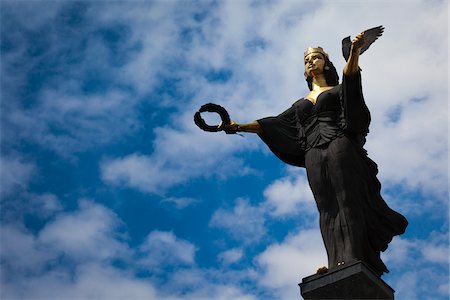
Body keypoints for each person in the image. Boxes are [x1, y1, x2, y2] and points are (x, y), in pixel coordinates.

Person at [221, 32, 408, 276]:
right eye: (307, 59)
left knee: (346, 199)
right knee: (326, 206)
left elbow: (351, 79)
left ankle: (355, 257)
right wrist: (238, 126)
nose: (310, 61)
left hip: (339, 144)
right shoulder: (302, 102)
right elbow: (274, 123)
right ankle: (335, 263)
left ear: (326, 63)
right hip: (313, 152)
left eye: (316, 57)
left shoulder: (338, 89)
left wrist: (354, 52)